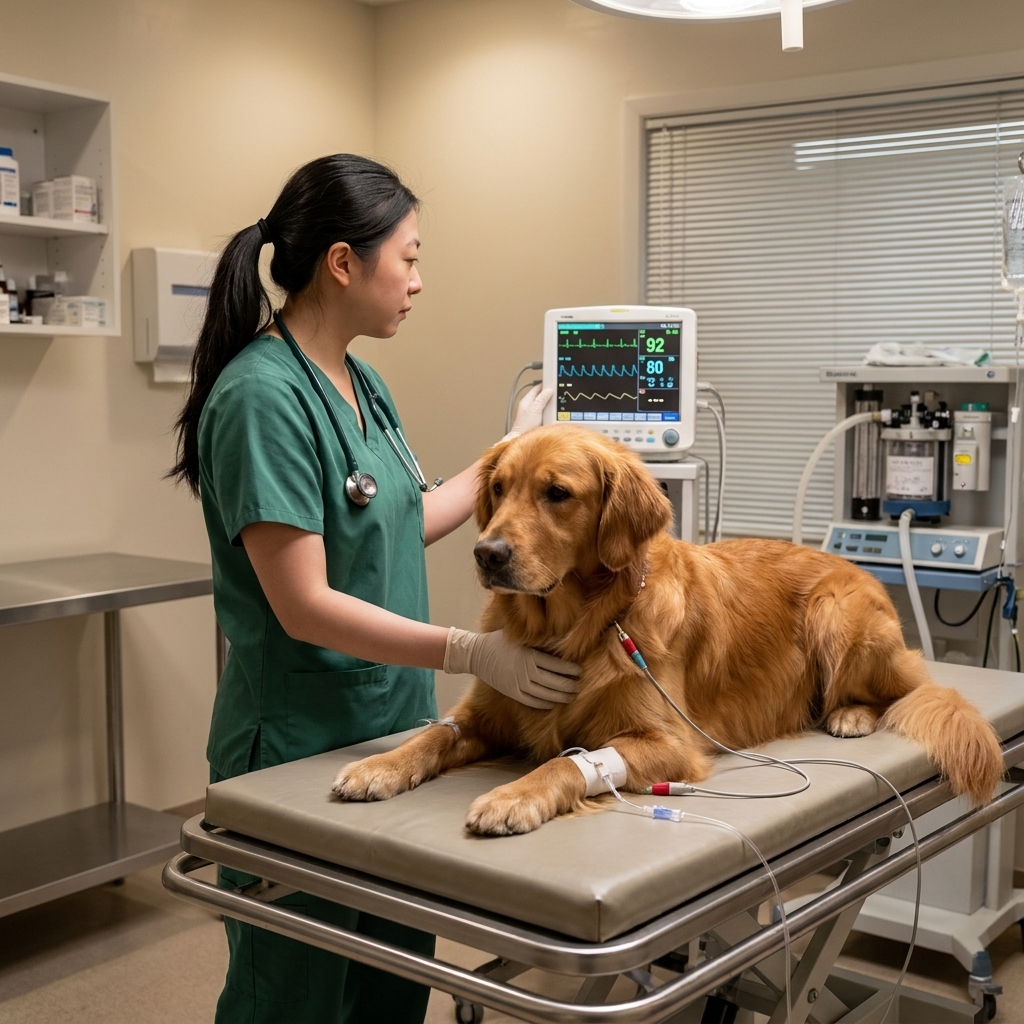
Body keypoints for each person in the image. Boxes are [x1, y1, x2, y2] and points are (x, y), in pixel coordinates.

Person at [171, 154, 580, 1024]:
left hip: (391, 735)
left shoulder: (364, 384)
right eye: (410, 257)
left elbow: (405, 519)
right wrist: (475, 653)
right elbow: (303, 603)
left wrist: (510, 449)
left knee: (393, 985)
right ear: (343, 263)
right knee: (297, 994)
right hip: (296, 744)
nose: (419, 282)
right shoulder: (261, 398)